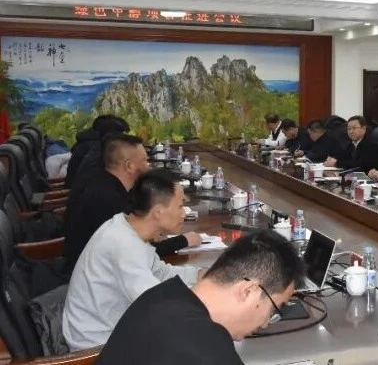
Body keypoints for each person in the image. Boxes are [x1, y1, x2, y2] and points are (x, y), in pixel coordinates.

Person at [95, 229, 304, 365]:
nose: (266, 323)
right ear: (248, 290)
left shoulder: (161, 294)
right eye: (274, 308)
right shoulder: (209, 350)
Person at [63, 169, 202, 351]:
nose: (184, 213)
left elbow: (159, 272)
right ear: (158, 212)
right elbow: (157, 304)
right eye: (180, 206)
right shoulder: (124, 245)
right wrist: (206, 298)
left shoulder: (127, 228)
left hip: (115, 329)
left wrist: (199, 275)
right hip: (97, 347)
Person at [62, 134, 200, 275]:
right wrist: (181, 241)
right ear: (129, 166)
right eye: (145, 161)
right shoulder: (109, 199)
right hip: (86, 274)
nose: (149, 166)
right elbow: (135, 251)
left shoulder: (105, 183)